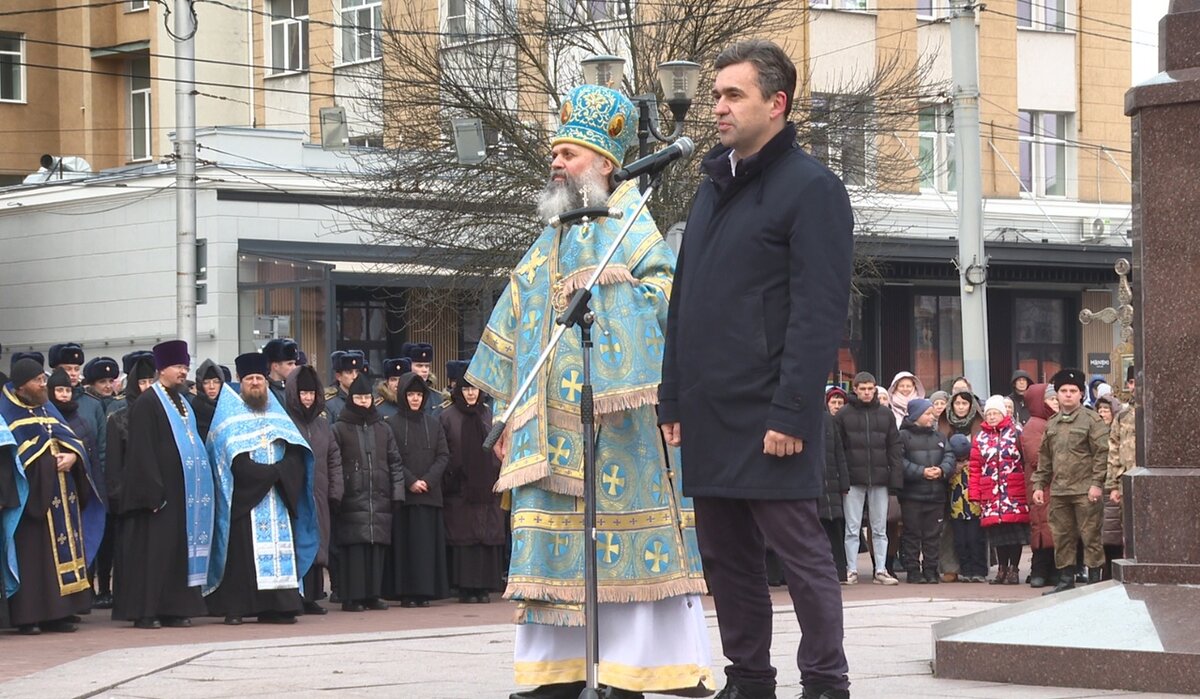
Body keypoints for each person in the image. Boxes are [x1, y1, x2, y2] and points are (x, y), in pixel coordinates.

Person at [469, 82, 712, 697]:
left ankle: (649, 674)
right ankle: (553, 675)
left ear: (605, 163)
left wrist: (614, 295)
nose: (556, 161)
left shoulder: (633, 226)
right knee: (557, 554)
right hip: (547, 436)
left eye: (569, 152)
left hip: (622, 430)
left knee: (630, 548)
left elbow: (668, 305)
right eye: (554, 151)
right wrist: (507, 415)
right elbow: (511, 331)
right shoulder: (544, 242)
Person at [658, 38, 853, 699]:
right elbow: (684, 301)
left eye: (733, 94)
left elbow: (818, 312)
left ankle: (826, 680)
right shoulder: (711, 189)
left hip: (773, 412)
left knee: (800, 555)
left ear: (777, 102)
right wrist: (672, 398)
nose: (718, 106)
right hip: (710, 410)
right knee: (727, 560)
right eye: (715, 95)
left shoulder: (813, 188)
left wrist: (794, 409)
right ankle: (748, 679)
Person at [204, 352, 318, 626]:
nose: (255, 383)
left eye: (259, 378)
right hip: (244, 500)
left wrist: (279, 473)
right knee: (241, 555)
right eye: (249, 379)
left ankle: (277, 607)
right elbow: (231, 460)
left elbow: (295, 452)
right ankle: (238, 607)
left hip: (278, 497)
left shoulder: (277, 414)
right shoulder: (228, 418)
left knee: (280, 552)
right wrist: (268, 475)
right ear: (240, 383)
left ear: (266, 381)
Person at [111, 340, 217, 630]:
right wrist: (153, 492)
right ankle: (147, 612)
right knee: (154, 556)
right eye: (178, 367)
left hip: (185, 494)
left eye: (185, 366)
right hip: (157, 496)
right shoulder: (148, 403)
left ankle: (174, 607)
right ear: (162, 369)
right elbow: (141, 451)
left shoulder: (183, 402)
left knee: (177, 553)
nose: (184, 372)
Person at [0, 357, 103, 635]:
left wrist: (73, 457)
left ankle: (60, 612)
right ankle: (30, 616)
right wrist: (47, 461)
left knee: (61, 552)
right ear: (22, 387)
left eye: (44, 379)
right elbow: (15, 457)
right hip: (31, 499)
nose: (43, 384)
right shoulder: (7, 411)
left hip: (63, 495)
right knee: (35, 557)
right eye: (38, 381)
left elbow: (70, 439)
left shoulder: (46, 406)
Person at [331, 374, 405, 612]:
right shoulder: (339, 429)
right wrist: (338, 493)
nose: (363, 402)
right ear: (351, 399)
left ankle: (372, 594)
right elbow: (334, 463)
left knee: (376, 548)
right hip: (352, 496)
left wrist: (397, 492)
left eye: (366, 398)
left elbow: (395, 461)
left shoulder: (382, 428)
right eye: (359, 398)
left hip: (379, 496)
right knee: (354, 548)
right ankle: (352, 596)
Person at [1031, 369, 1109, 594]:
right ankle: (1066, 580)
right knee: (1062, 536)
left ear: (1081, 394)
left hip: (1085, 491)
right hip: (1060, 491)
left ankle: (1094, 581)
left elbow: (1101, 453)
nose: (1067, 395)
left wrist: (1097, 484)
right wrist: (1039, 485)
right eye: (1063, 391)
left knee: (1090, 536)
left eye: (1072, 391)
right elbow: (1045, 457)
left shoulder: (1091, 420)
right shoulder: (1052, 423)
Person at [381, 371, 450, 607]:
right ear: (402, 396)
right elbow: (393, 457)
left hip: (430, 496)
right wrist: (411, 481)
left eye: (419, 395)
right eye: (410, 394)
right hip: (405, 497)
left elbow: (443, 455)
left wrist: (428, 481)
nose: (415, 399)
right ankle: (406, 593)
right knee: (406, 548)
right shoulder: (391, 424)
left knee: (426, 549)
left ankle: (426, 592)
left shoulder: (434, 424)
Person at [440, 362, 507, 603]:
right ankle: (466, 588)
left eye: (474, 389)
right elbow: (444, 449)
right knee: (465, 540)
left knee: (486, 537)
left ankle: (484, 587)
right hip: (460, 489)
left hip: (488, 489)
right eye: (466, 389)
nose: (470, 393)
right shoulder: (447, 416)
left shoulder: (489, 415)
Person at [284, 364, 343, 614]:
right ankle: (296, 596)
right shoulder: (286, 421)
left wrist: (336, 489)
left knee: (318, 541)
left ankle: (312, 596)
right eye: (303, 393)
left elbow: (334, 458)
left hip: (319, 492)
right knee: (299, 543)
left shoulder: (322, 424)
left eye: (311, 393)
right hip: (296, 494)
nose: (307, 398)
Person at [837, 372, 902, 587]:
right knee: (852, 528)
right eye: (862, 388)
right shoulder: (844, 414)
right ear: (855, 389)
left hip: (880, 477)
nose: (866, 392)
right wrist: (843, 478)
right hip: (854, 479)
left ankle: (881, 569)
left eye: (870, 388)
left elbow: (894, 447)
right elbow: (839, 449)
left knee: (879, 528)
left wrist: (895, 478)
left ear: (875, 389)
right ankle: (851, 570)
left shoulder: (886, 414)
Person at [969, 396, 1030, 585]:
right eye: (989, 414)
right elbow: (975, 468)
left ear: (1003, 414)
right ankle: (1001, 569)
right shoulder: (980, 438)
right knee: (997, 534)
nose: (992, 417)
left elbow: (1025, 461)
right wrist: (974, 494)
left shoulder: (1016, 432)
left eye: (995, 413)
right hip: (991, 493)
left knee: (1015, 533)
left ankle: (1013, 569)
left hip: (1014, 490)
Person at [78, 356, 120, 609]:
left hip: (108, 482)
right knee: (91, 534)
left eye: (110, 381)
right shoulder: (88, 405)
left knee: (108, 538)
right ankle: (88, 587)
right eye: (101, 381)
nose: (107, 386)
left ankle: (105, 586)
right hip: (89, 480)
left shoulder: (115, 404)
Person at [898, 398, 953, 584]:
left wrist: (942, 470)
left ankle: (931, 569)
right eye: (928, 414)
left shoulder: (939, 437)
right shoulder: (903, 436)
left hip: (936, 494)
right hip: (911, 495)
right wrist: (921, 472)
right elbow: (899, 461)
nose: (932, 417)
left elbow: (949, 456)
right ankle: (913, 570)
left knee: (933, 535)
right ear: (916, 416)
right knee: (912, 534)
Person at [1022, 383, 1058, 588]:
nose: (1057, 402)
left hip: (1052, 484)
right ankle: (1039, 570)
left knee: (1053, 528)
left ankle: (1052, 571)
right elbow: (1037, 457)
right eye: (1052, 399)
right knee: (1042, 528)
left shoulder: (1051, 422)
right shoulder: (1035, 425)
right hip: (1041, 484)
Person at [1102, 389, 1135, 580]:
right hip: (1126, 480)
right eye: (1132, 382)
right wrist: (1113, 485)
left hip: (1154, 480)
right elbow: (1113, 449)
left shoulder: (1158, 410)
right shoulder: (1122, 416)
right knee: (1127, 529)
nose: (1135, 386)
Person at [946, 433, 986, 582]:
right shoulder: (951, 466)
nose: (962, 460)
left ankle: (979, 571)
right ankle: (966, 570)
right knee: (960, 542)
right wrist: (954, 469)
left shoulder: (975, 464)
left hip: (974, 509)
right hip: (957, 511)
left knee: (976, 541)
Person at [820, 392, 850, 583]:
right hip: (818, 483)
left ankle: (838, 571)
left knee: (834, 528)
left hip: (831, 482)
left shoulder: (830, 421)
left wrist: (844, 482)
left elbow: (839, 452)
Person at [403, 343, 445, 417]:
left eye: (427, 366)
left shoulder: (438, 397)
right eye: (419, 366)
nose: (424, 370)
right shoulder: (400, 395)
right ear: (409, 367)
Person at [324, 350, 364, 425]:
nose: (354, 376)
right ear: (338, 376)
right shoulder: (329, 404)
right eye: (349, 372)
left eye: (357, 372)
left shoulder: (365, 400)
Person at [263, 338, 300, 405]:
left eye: (295, 363)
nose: (294, 367)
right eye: (290, 364)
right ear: (275, 366)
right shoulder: (264, 391)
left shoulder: (296, 389)